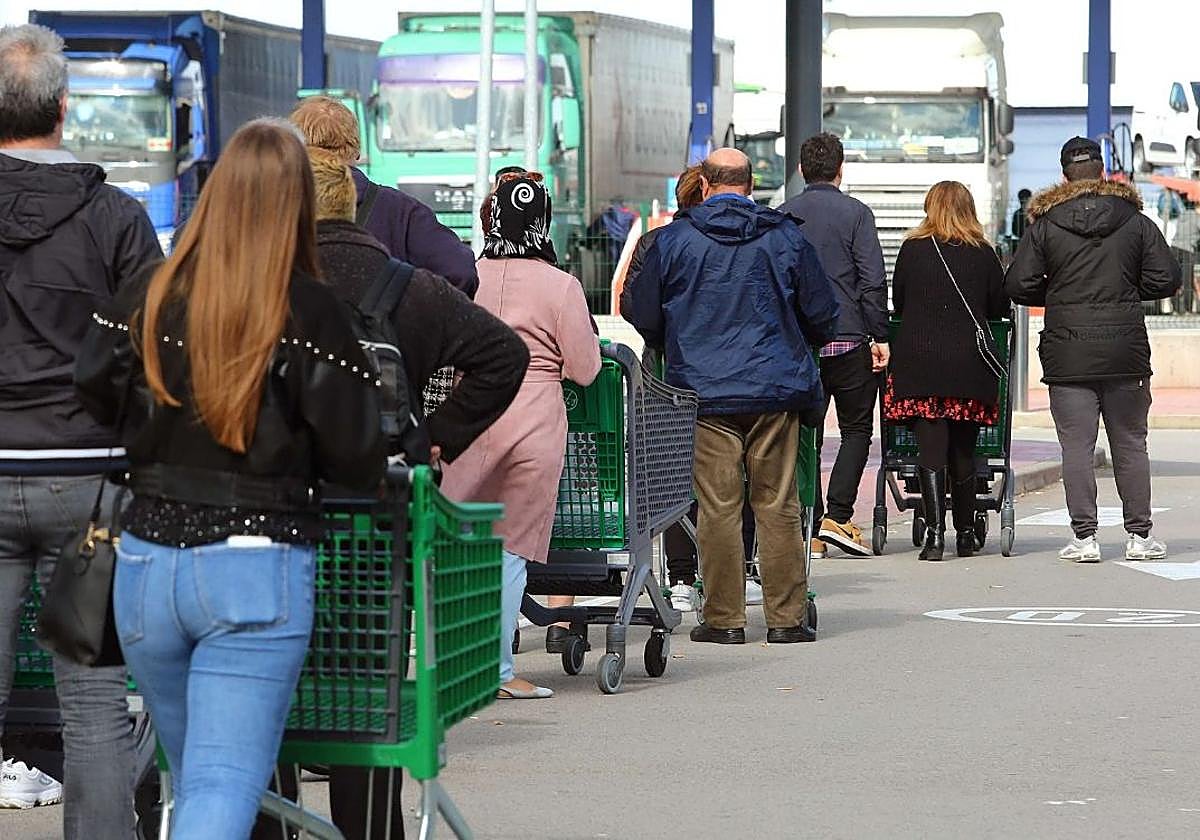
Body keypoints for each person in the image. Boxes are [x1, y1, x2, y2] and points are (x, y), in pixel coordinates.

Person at [75, 119, 386, 839]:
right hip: (256, 565)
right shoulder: (308, 311)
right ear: (298, 204)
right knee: (219, 789)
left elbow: (92, 387)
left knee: (195, 781)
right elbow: (358, 452)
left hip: (146, 564)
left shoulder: (147, 295)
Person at [306, 147, 528, 840]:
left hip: (277, 512)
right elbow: (505, 356)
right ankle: (373, 827)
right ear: (352, 204)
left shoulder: (261, 282)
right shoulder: (404, 285)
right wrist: (435, 436)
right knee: (369, 687)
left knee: (271, 691)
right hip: (381, 512)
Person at [0, 24, 160, 833]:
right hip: (89, 483)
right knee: (94, 706)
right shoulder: (116, 219)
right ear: (64, 109)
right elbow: (159, 352)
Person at [625, 148, 838, 645]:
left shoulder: (674, 241)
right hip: (775, 387)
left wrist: (677, 340)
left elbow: (644, 313)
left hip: (702, 391)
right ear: (751, 182)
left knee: (717, 506)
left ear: (704, 184)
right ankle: (785, 619)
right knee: (777, 502)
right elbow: (822, 313)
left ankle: (723, 620)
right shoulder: (786, 237)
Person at [441, 172, 601, 697]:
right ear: (542, 223)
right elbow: (585, 369)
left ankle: (452, 659)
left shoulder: (466, 277)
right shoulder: (561, 286)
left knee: (462, 540)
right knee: (509, 547)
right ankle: (497, 673)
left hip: (468, 415)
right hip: (532, 421)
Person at [1006, 137, 1181, 562]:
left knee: (1077, 448)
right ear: (1103, 172)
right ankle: (1140, 537)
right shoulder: (1135, 221)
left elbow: (1017, 284)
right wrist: (1127, 290)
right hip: (1126, 351)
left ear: (1065, 175)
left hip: (1068, 353)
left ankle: (1084, 538)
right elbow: (1168, 278)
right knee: (1130, 444)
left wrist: (1059, 291)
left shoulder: (1045, 224)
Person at [622, 166, 758, 613]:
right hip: (727, 369)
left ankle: (682, 576)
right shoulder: (737, 239)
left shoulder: (656, 242)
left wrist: (666, 335)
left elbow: (634, 306)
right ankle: (738, 567)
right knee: (736, 471)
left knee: (671, 472)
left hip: (665, 370)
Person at [884, 181, 1010, 561]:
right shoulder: (984, 253)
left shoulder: (913, 249)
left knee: (930, 450)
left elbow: (900, 299)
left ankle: (935, 536)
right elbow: (997, 305)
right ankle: (967, 532)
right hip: (968, 368)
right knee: (965, 451)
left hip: (920, 366)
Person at [777, 132, 889, 559]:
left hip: (801, 344)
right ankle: (838, 517)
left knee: (805, 435)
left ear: (803, 170)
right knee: (856, 429)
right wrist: (879, 335)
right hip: (850, 339)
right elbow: (872, 279)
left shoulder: (784, 214)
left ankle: (812, 523)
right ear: (841, 170)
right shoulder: (857, 214)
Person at [290, 95, 479, 297]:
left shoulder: (273, 206)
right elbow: (461, 271)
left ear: (296, 150)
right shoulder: (402, 211)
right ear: (357, 151)